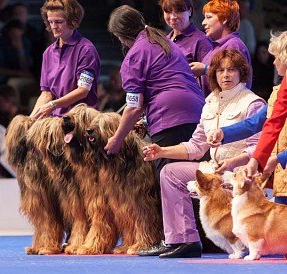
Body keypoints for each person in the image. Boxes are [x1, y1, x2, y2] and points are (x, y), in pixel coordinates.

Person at [139, 49, 264, 258]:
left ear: (241, 73)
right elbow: (196, 146)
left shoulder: (253, 103)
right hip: (213, 170)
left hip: (240, 173)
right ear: (213, 74)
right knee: (170, 172)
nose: (226, 75)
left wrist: (232, 163)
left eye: (231, 70)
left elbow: (257, 149)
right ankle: (183, 240)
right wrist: (162, 151)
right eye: (221, 70)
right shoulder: (210, 102)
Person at [105, 5, 204, 180]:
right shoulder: (164, 41)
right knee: (197, 181)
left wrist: (117, 139)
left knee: (170, 181)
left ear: (120, 36)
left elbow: (134, 107)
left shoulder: (134, 56)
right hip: (198, 110)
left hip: (170, 118)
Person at [207, 31, 287, 204]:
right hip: (280, 176)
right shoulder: (280, 89)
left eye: (277, 57)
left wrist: (278, 159)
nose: (273, 62)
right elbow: (262, 122)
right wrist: (223, 133)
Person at [30, 0, 100, 118]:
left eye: (58, 22)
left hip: (81, 119)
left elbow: (83, 90)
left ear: (72, 21)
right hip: (56, 120)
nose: (53, 26)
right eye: (50, 21)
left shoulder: (86, 49)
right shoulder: (48, 53)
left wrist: (52, 105)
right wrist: (30, 120)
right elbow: (46, 94)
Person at [189, 0, 251, 95]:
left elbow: (236, 80)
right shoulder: (217, 46)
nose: (203, 22)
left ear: (224, 18)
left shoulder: (233, 45)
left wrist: (205, 70)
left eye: (208, 17)